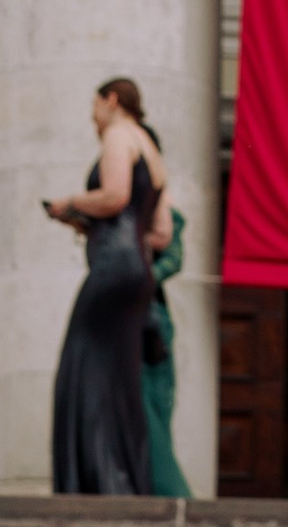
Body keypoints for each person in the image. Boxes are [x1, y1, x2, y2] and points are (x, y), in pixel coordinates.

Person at [43, 77, 168, 496]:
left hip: (112, 268)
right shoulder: (152, 149)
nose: (92, 117)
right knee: (120, 379)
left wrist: (72, 203)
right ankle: (127, 481)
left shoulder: (118, 134)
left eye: (94, 105)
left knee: (84, 370)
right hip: (137, 273)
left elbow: (114, 196)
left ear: (112, 100)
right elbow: (161, 233)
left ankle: (96, 483)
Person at [142, 194, 191, 501]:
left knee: (157, 405)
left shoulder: (165, 216)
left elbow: (173, 260)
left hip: (149, 325)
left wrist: (135, 279)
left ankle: (164, 492)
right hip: (111, 321)